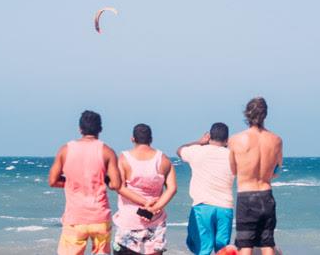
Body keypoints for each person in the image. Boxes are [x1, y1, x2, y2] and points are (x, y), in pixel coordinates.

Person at [49, 110, 122, 255]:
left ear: (80, 128)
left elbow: (52, 181)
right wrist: (103, 180)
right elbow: (116, 184)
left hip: (75, 217)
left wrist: (70, 182)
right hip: (100, 216)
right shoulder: (107, 151)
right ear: (100, 129)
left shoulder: (65, 150)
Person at [112, 123, 177, 255]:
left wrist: (143, 202)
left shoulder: (124, 158)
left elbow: (120, 187)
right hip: (155, 220)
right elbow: (172, 188)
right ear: (151, 139)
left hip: (129, 220)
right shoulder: (163, 159)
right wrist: (153, 207)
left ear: (133, 139)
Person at [228, 97, 283, 255]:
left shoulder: (236, 140)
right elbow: (277, 169)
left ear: (247, 114)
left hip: (246, 195)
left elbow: (233, 170)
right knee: (267, 243)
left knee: (245, 245)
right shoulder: (276, 140)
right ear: (265, 114)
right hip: (266, 194)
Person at [177, 123, 235, 255]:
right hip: (225, 207)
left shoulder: (197, 151)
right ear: (227, 139)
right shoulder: (232, 155)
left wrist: (199, 142)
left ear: (209, 136)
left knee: (203, 248)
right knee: (222, 249)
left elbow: (180, 150)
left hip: (202, 206)